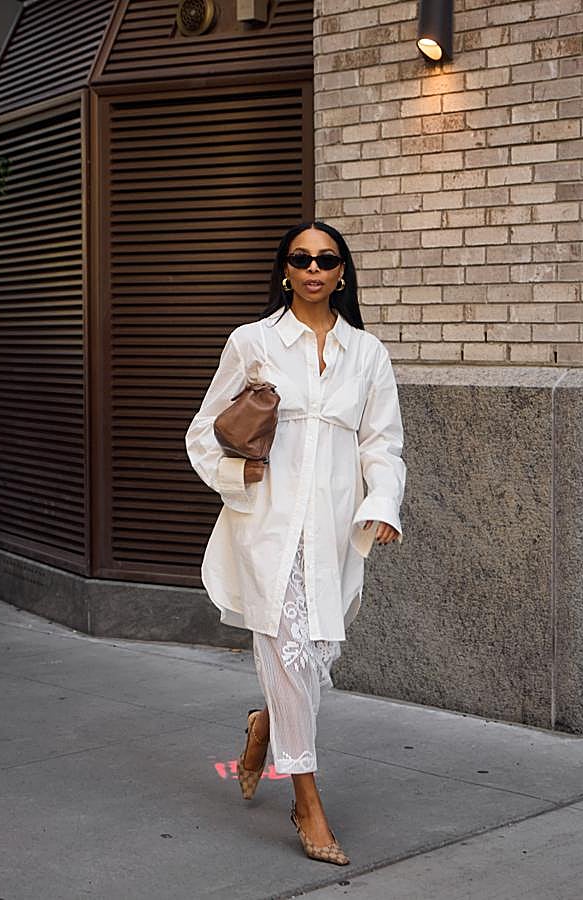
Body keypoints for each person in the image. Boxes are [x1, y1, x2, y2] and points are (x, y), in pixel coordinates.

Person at [185, 220, 406, 866]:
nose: (313, 268)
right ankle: (307, 801)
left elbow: (382, 443)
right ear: (285, 269)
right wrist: (237, 474)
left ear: (342, 272)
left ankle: (265, 724)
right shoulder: (252, 341)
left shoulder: (367, 354)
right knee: (286, 652)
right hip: (267, 523)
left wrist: (382, 503)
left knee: (315, 657)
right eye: (301, 258)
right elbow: (203, 432)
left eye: (326, 259)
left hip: (334, 528)